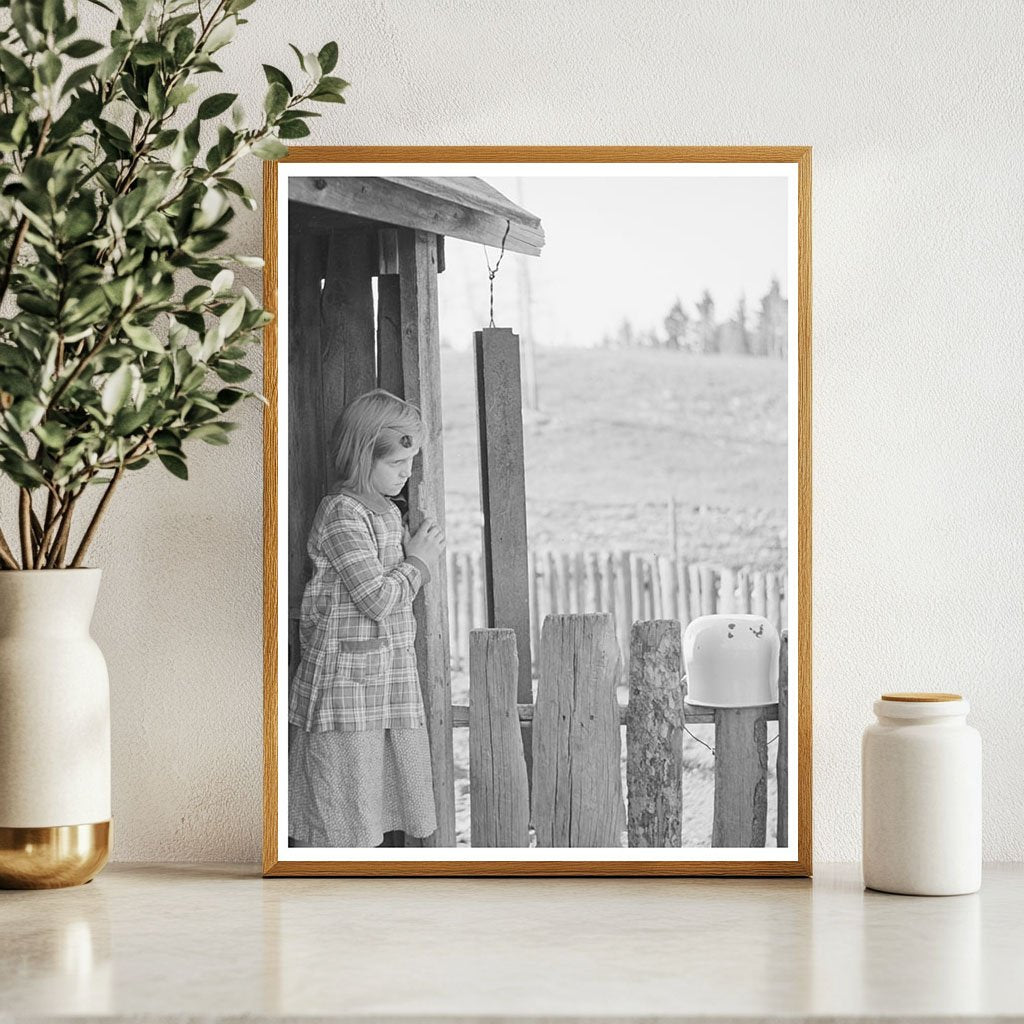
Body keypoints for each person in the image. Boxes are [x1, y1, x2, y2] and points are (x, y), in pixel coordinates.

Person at [288, 389, 445, 848]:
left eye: (410, 463)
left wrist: (413, 556)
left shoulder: (387, 514)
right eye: (397, 464)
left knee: (371, 805)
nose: (406, 473)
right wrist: (418, 562)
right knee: (343, 811)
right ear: (363, 455)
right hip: (346, 688)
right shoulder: (341, 514)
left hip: (386, 681)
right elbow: (375, 598)